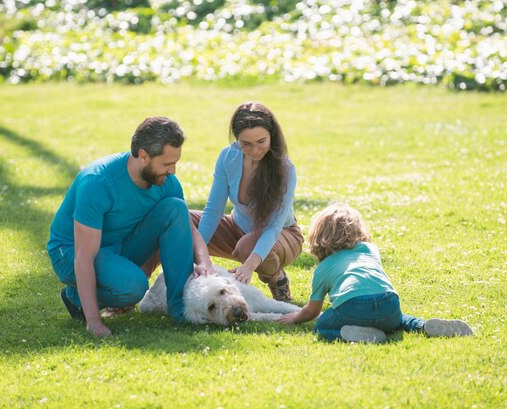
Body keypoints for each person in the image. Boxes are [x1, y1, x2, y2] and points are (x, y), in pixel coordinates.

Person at [47, 116, 214, 337]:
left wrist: (204, 262)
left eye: (175, 163)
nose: (173, 170)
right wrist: (94, 322)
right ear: (143, 156)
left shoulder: (166, 182)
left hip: (120, 245)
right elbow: (83, 256)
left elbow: (189, 229)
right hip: (71, 252)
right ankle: (75, 299)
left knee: (176, 208)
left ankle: (179, 309)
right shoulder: (97, 183)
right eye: (166, 164)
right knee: (133, 287)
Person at [278, 204, 473, 343]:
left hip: (353, 306)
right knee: (399, 320)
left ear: (318, 237)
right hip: (389, 302)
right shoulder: (370, 249)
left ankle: (354, 335)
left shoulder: (323, 268)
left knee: (322, 325)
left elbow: (312, 311)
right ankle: (422, 326)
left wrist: (294, 317)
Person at [191, 102, 303, 301]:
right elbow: (213, 210)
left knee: (247, 245)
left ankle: (277, 278)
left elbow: (274, 227)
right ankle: (172, 280)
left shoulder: (285, 169)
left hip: (281, 236)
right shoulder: (228, 157)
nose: (255, 150)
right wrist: (197, 255)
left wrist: (249, 266)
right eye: (246, 144)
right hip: (237, 227)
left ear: (272, 135)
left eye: (261, 141)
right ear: (236, 139)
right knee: (180, 217)